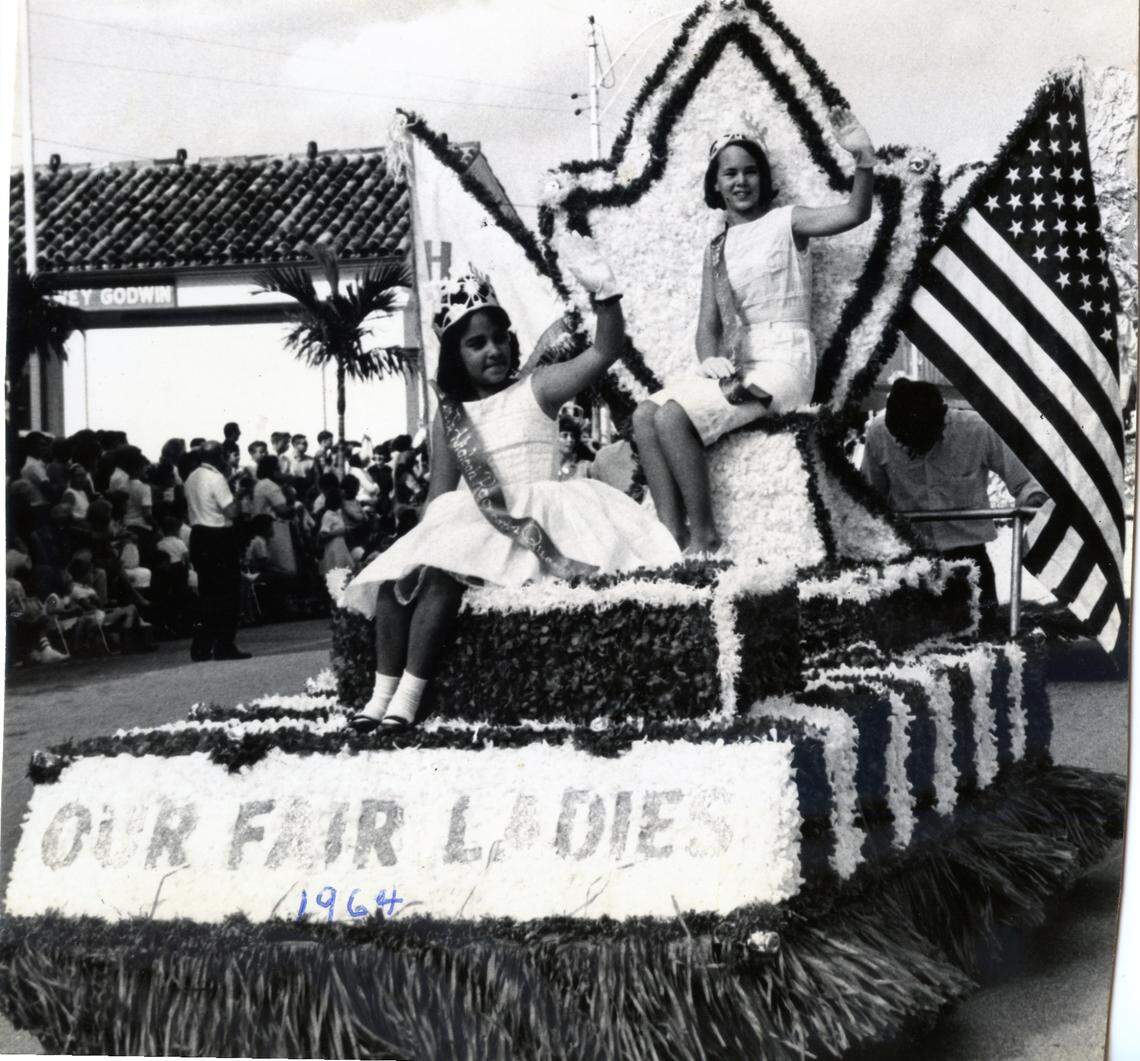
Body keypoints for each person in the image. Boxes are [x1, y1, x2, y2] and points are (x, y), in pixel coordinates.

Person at [341, 247, 681, 730]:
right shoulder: (450, 416)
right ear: (456, 355)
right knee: (398, 582)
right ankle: (378, 698)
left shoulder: (537, 387)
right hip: (475, 519)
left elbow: (604, 352)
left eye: (499, 339)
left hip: (539, 516)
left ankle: (407, 700)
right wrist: (419, 545)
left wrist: (605, 297)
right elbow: (440, 494)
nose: (493, 351)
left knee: (441, 580)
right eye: (476, 344)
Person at [632, 111, 876, 554]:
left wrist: (863, 159)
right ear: (716, 184)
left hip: (785, 361)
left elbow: (856, 213)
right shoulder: (716, 250)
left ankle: (705, 538)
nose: (741, 181)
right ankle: (671, 536)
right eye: (730, 173)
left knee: (671, 416)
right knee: (644, 416)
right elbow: (708, 327)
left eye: (749, 172)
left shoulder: (788, 221)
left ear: (763, 178)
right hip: (740, 360)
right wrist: (709, 359)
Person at [861, 377, 1047, 623]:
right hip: (908, 565)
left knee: (984, 643)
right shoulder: (878, 433)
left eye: (921, 442)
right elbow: (870, 500)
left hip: (969, 561)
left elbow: (1026, 482)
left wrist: (1030, 505)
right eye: (904, 444)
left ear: (942, 420)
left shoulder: (977, 430)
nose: (912, 451)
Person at [184, 441, 249, 661]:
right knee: (228, 593)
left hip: (199, 535)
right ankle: (224, 645)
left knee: (208, 593)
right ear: (218, 457)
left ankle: (202, 644)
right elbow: (231, 511)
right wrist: (238, 493)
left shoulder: (192, 477)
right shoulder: (217, 478)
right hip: (218, 536)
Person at [251, 455, 299, 580]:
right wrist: (297, 507)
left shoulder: (260, 484)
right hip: (274, 528)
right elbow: (283, 510)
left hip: (262, 527)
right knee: (285, 568)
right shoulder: (270, 486)